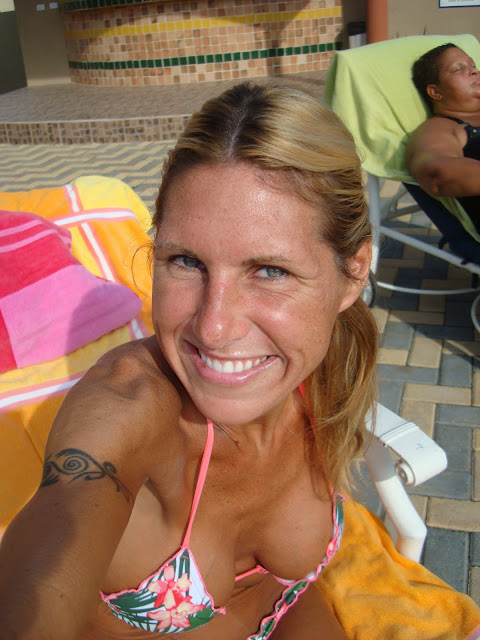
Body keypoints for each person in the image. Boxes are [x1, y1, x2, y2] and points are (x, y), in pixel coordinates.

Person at [0, 81, 376, 640]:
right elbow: (45, 571)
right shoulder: (131, 410)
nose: (213, 326)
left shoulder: (326, 363)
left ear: (351, 275)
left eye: (270, 271)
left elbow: (284, 594)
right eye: (186, 261)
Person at [405, 43, 480, 231]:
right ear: (435, 92)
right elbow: (437, 172)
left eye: (473, 66)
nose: (474, 72)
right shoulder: (442, 127)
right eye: (459, 69)